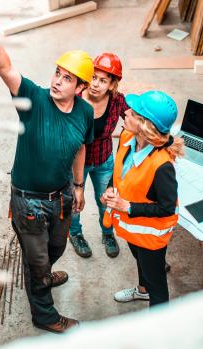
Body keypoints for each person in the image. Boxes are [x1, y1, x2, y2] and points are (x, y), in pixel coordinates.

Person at [0, 5, 94, 333]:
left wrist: (79, 186)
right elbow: (5, 68)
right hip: (29, 201)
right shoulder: (34, 99)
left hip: (63, 195)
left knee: (57, 247)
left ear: (80, 88)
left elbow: (81, 146)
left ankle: (43, 276)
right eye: (57, 73)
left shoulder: (84, 112)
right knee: (36, 258)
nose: (57, 81)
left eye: (67, 79)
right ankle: (45, 314)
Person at [100, 90, 184, 307]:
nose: (126, 112)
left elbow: (167, 208)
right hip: (133, 228)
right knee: (140, 262)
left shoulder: (162, 166)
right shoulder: (128, 137)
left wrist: (128, 207)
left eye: (133, 112)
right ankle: (142, 291)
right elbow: (120, 171)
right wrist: (111, 189)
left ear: (145, 125)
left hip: (150, 236)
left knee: (157, 284)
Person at [68, 53, 128, 259]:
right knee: (75, 202)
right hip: (77, 163)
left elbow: (134, 119)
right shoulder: (76, 98)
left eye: (103, 80)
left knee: (106, 201)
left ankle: (108, 233)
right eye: (93, 77)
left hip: (104, 160)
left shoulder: (117, 101)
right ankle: (75, 234)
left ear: (112, 85)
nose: (95, 84)